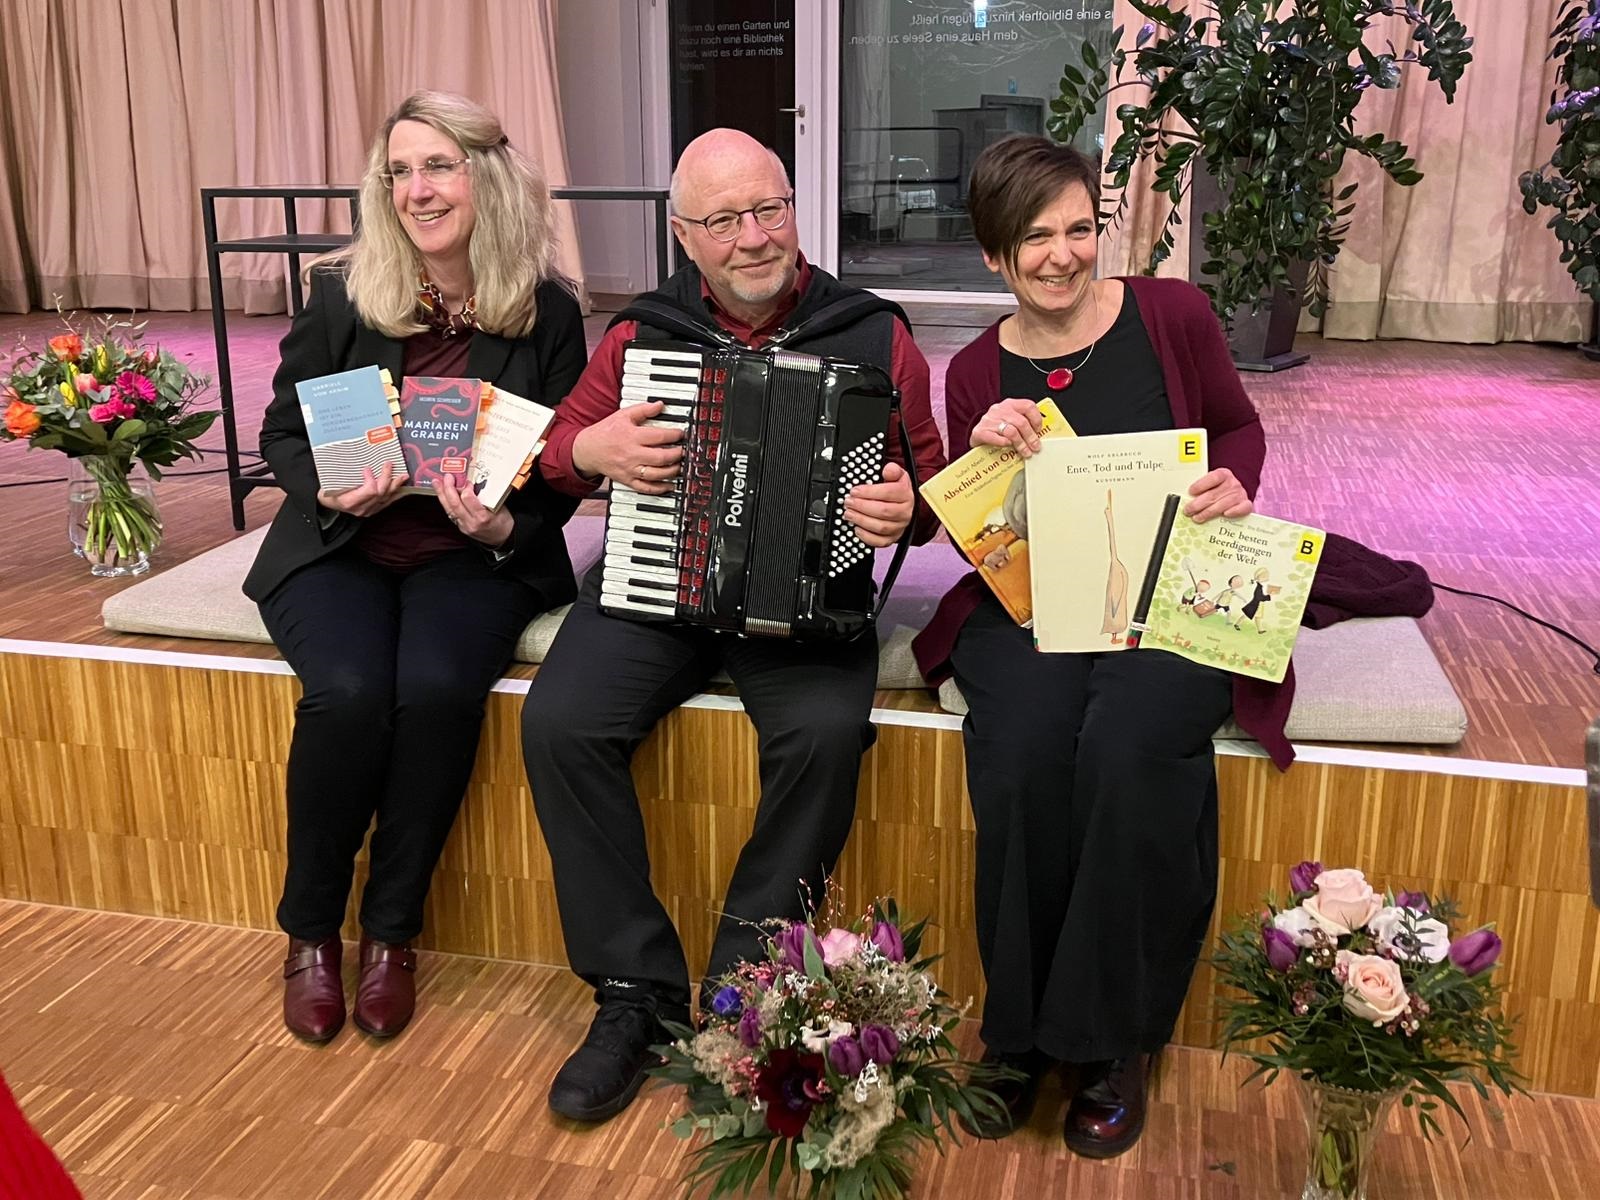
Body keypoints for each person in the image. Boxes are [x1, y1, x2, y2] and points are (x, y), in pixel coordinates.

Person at [521, 128, 947, 1123]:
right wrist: (593, 449)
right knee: (559, 722)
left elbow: (930, 479)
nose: (754, 236)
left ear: (794, 210)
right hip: (657, 588)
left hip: (804, 602)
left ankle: (741, 990)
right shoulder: (643, 334)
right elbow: (556, 452)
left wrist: (907, 508)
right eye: (724, 220)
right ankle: (632, 991)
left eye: (770, 209)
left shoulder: (871, 332)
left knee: (824, 737)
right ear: (684, 235)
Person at [912, 134, 1267, 1158]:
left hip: (1171, 585)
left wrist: (1234, 485)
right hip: (1038, 600)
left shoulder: (1171, 315)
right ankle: (1019, 1033)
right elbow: (983, 539)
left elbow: (1237, 431)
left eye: (1079, 228)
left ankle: (1114, 1040)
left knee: (1127, 747)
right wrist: (984, 456)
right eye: (1036, 239)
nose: (1064, 254)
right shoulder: (975, 371)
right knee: (1021, 749)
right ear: (993, 255)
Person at [242, 91, 587, 1043]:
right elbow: (283, 431)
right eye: (399, 170)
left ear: (488, 177)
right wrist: (326, 490)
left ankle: (393, 933)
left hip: (468, 558)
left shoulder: (548, 310)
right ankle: (311, 932)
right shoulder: (342, 292)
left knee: (435, 690)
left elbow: (564, 464)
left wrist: (506, 525)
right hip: (341, 547)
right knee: (349, 692)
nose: (416, 190)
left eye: (438, 166)